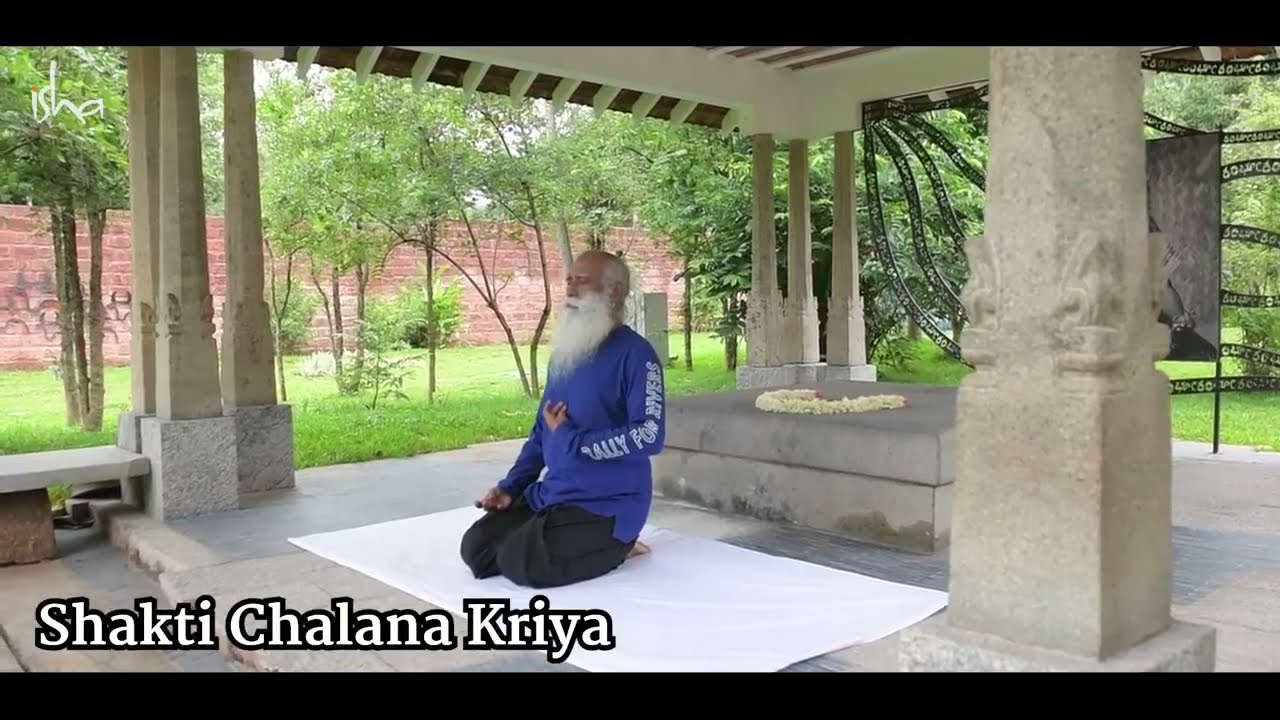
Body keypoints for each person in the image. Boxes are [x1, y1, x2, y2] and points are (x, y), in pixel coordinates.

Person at [459, 250, 665, 589]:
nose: (570, 289)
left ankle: (621, 545)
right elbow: (543, 432)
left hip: (608, 505)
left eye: (582, 281)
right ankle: (557, 533)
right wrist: (511, 487)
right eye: (568, 280)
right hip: (556, 494)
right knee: (477, 550)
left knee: (520, 560)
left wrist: (575, 442)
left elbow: (650, 435)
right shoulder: (565, 355)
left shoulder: (637, 354)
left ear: (613, 291)